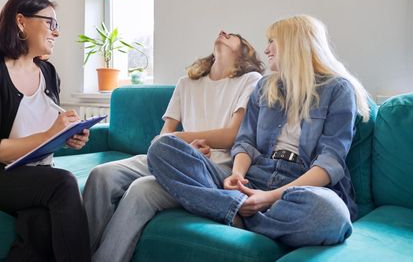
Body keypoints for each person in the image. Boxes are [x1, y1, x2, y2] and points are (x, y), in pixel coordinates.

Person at [148, 15, 371, 247]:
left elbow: (330, 162)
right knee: (162, 147)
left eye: (272, 41)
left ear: (292, 43)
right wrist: (237, 175)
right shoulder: (264, 86)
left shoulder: (338, 89)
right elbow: (246, 142)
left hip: (299, 189)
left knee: (331, 215)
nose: (266, 49)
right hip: (253, 178)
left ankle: (236, 214)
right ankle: (237, 209)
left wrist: (269, 198)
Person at [83, 31, 264, 262]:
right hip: (171, 155)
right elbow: (163, 137)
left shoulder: (250, 80)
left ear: (244, 51)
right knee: (102, 174)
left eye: (231, 35)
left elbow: (231, 136)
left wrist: (182, 143)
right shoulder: (187, 82)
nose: (222, 33)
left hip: (213, 168)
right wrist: (182, 146)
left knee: (141, 190)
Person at [0, 0, 91, 262]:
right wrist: (49, 135)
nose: (56, 32)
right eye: (50, 22)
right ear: (21, 21)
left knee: (40, 221)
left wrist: (66, 136)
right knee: (63, 183)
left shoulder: (48, 73)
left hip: (30, 173)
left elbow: (38, 132)